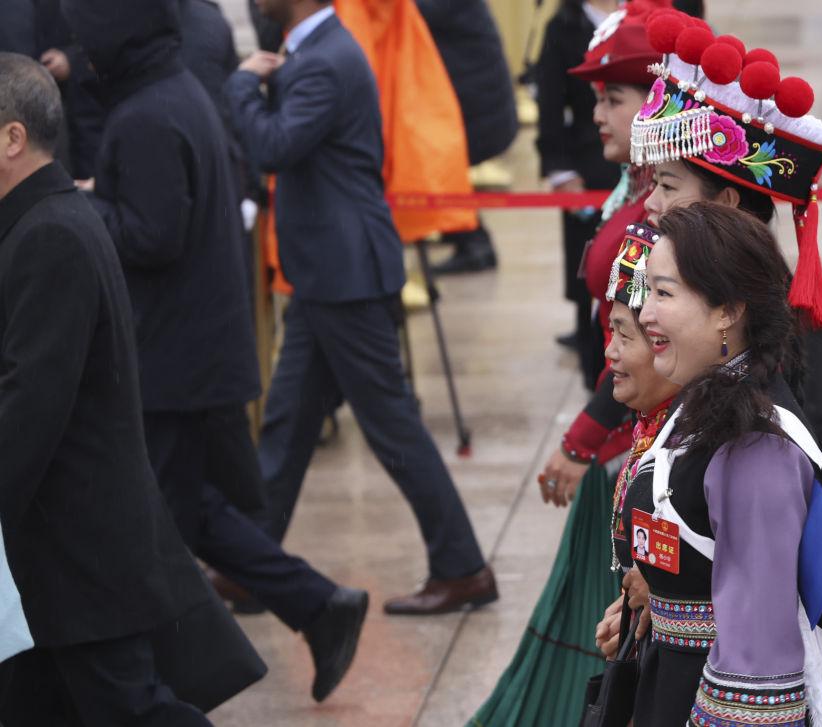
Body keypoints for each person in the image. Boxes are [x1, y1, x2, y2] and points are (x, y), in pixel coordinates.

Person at [61, 0, 367, 702]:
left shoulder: (145, 114)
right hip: (195, 348)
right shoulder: (174, 93)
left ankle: (164, 687)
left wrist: (83, 203)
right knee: (186, 511)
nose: (82, 56)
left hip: (171, 357)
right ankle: (320, 606)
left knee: (155, 527)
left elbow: (153, 234)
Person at [225, 0, 497, 615]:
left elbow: (272, 146)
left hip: (344, 276)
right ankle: (251, 564)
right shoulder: (315, 52)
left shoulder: (324, 60)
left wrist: (241, 85)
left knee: (391, 425)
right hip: (327, 273)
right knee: (288, 422)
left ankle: (462, 568)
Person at [0, 52, 211, 726]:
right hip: (58, 560)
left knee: (135, 714)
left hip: (78, 560)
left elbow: (29, 405)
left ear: (12, 137)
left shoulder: (49, 235)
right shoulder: (47, 219)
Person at [626, 203, 822, 726]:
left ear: (728, 310)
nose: (645, 315)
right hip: (674, 678)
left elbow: (758, 655)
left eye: (664, 293)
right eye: (648, 292)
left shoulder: (751, 443)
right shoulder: (710, 399)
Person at [537, 0, 667, 507]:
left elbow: (646, 344)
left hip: (641, 432)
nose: (596, 116)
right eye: (596, 100)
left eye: (612, 99)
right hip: (623, 416)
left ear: (656, 104)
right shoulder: (636, 185)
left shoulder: (662, 204)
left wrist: (582, 439)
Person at [535, 0, 621, 383]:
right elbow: (550, 103)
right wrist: (561, 171)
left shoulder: (648, 13)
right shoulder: (563, 27)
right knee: (590, 267)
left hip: (645, 157)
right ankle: (593, 360)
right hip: (590, 166)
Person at [418, 0, 517, 275]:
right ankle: (460, 233)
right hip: (468, 94)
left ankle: (473, 243)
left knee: (438, 165)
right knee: (440, 167)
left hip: (474, 100)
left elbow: (419, 10)